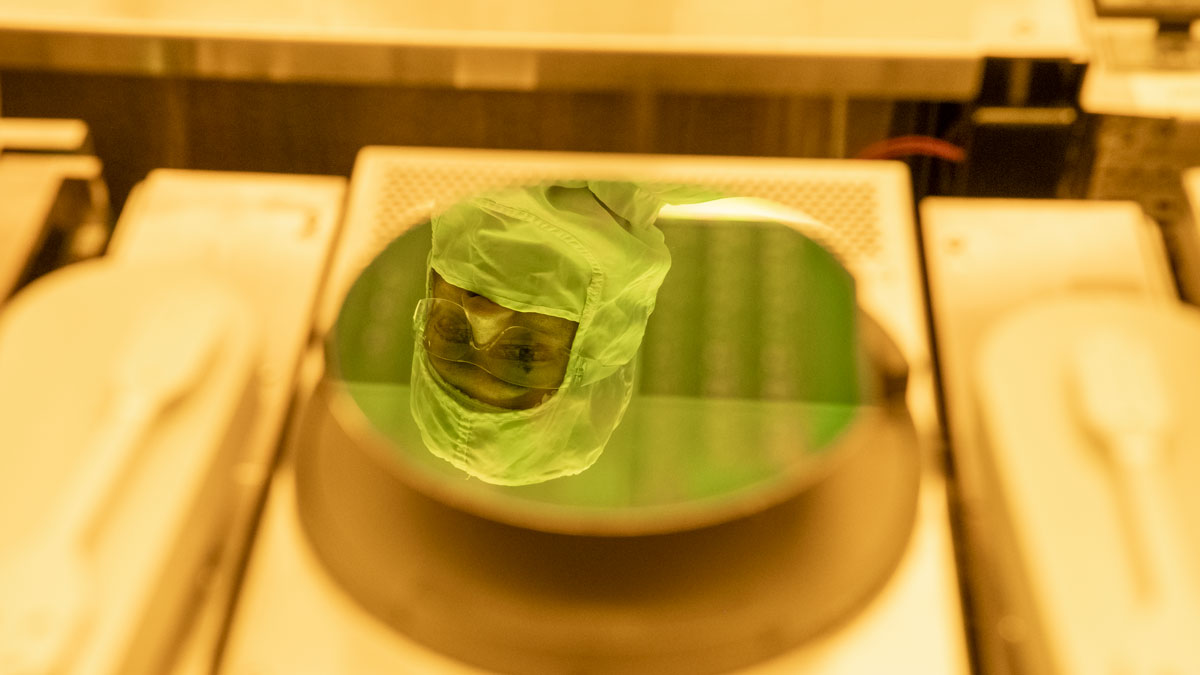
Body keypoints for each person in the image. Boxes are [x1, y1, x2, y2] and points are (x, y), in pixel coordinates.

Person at [409, 181, 697, 486]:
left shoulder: (403, 152)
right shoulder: (704, 161)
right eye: (523, 353)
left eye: (451, 331)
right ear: (605, 333)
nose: (482, 314)